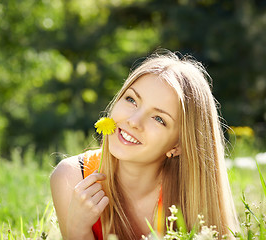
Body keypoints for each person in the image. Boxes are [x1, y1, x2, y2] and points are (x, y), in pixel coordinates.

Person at [50, 50, 239, 240]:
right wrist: (78, 229)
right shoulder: (73, 178)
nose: (134, 121)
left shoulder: (191, 195)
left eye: (158, 118)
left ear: (178, 145)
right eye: (131, 100)